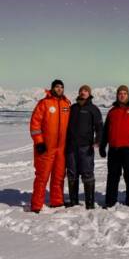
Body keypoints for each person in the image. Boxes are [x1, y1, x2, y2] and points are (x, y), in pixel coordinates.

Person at [99, 85, 129, 207]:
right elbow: (105, 131)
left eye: (124, 93)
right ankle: (110, 201)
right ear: (117, 95)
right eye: (120, 93)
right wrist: (102, 146)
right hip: (114, 149)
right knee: (112, 176)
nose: (122, 95)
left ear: (128, 95)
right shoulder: (112, 111)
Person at [30, 79, 71, 213]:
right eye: (57, 87)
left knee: (59, 176)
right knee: (42, 176)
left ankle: (57, 201)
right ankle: (36, 204)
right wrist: (39, 142)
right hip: (46, 147)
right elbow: (35, 124)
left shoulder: (67, 104)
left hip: (62, 148)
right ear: (52, 88)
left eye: (61, 87)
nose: (59, 89)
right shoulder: (44, 103)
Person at [65, 85, 103, 209]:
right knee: (72, 173)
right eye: (81, 90)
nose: (83, 92)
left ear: (89, 94)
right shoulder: (73, 108)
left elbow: (99, 127)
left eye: (85, 91)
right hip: (71, 147)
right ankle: (73, 201)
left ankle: (90, 203)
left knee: (87, 174)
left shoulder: (93, 109)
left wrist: (98, 140)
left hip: (86, 147)